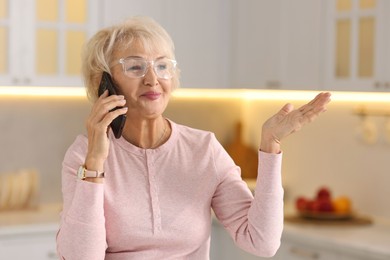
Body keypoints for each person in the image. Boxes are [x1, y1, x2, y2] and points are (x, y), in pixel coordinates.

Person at [56, 16, 331, 260]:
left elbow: (262, 242)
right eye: (135, 67)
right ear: (104, 83)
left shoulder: (203, 149)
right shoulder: (84, 155)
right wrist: (95, 163)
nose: (153, 79)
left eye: (162, 66)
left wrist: (270, 147)